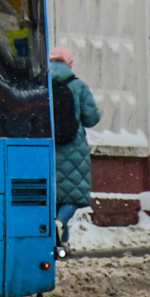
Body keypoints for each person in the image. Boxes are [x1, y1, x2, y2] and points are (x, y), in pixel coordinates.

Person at [50, 46, 100, 255]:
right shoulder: (78, 86)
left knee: (53, 195)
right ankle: (61, 223)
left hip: (48, 146)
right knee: (71, 196)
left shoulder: (41, 84)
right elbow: (92, 118)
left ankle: (62, 243)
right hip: (73, 147)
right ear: (69, 64)